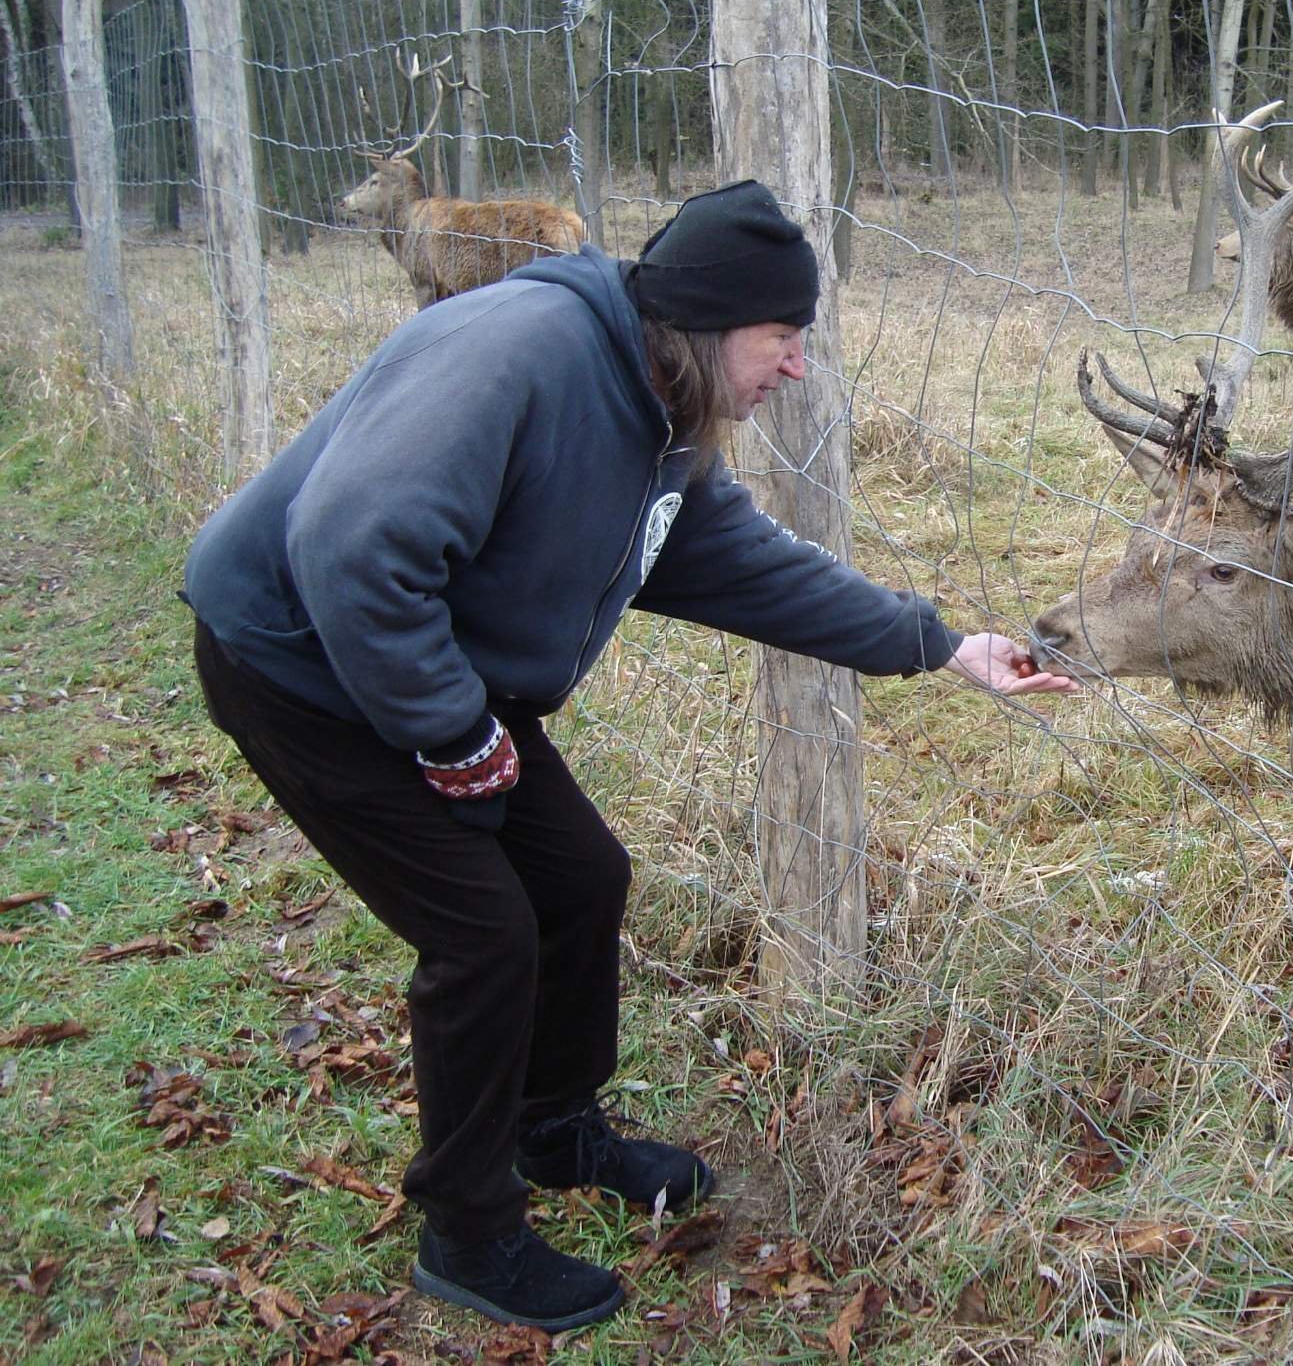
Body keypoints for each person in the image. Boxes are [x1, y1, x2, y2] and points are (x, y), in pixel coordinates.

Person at [182, 178, 1071, 1332]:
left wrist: (941, 643)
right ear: (709, 322)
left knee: (581, 880)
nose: (797, 366)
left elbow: (742, 564)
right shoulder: (523, 354)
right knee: (481, 932)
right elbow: (353, 548)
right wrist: (451, 735)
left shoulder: (659, 407)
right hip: (299, 661)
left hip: (431, 670)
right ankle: (469, 1231)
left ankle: (553, 1130)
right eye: (783, 336)